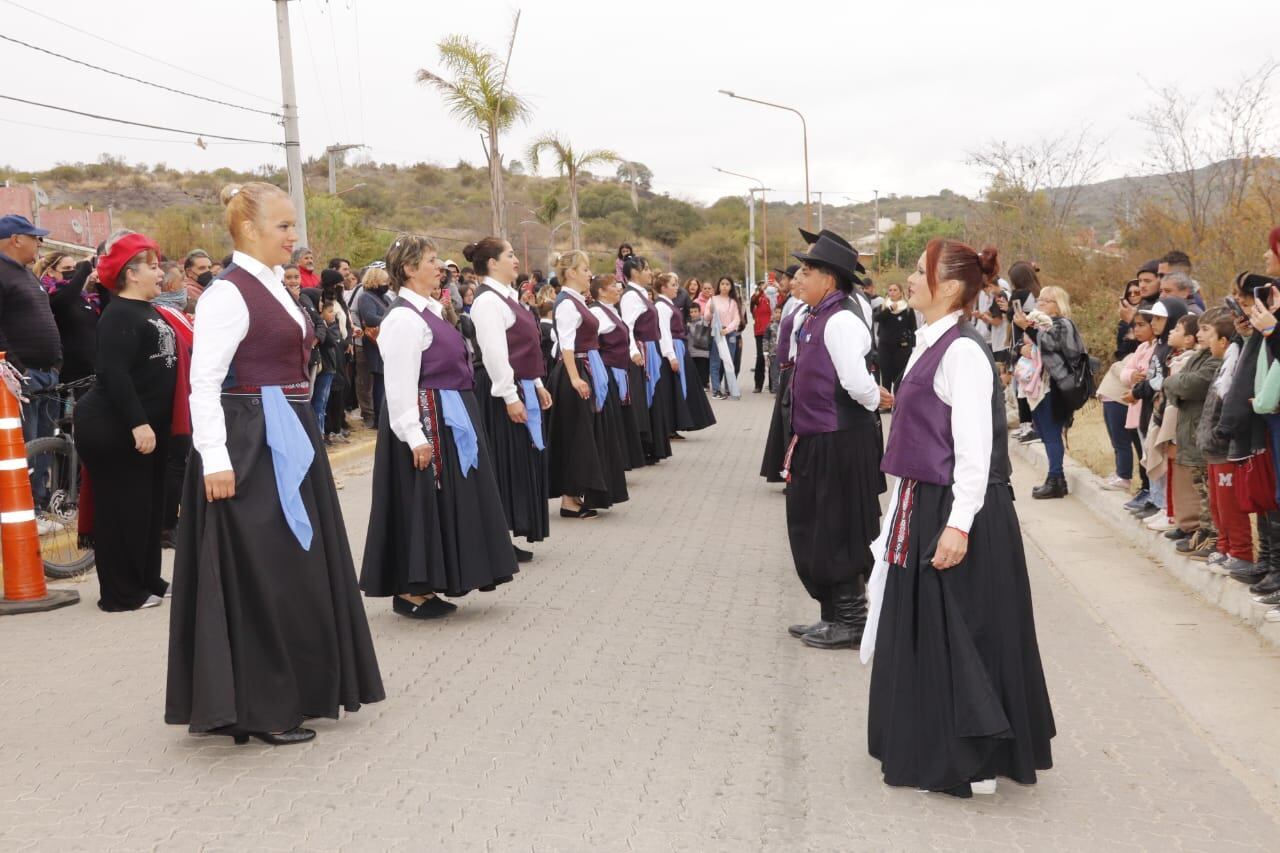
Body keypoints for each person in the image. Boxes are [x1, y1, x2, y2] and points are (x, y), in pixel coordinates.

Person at [166, 182, 384, 746]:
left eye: (293, 226)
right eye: (285, 226)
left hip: (288, 431)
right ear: (248, 231)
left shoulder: (275, 288)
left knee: (296, 565)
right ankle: (259, 706)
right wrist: (214, 458)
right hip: (249, 441)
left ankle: (300, 688)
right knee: (263, 570)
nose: (295, 237)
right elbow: (204, 383)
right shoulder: (227, 294)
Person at [865, 238, 1055, 799]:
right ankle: (930, 739)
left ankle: (968, 757)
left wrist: (958, 523)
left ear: (948, 286)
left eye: (920, 272)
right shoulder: (932, 343)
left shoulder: (963, 352)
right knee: (929, 631)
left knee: (963, 631)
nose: (911, 279)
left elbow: (976, 450)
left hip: (956, 507)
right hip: (926, 503)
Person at [360, 234, 518, 617]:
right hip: (426, 416)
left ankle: (434, 580)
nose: (439, 266)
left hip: (449, 412)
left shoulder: (430, 309)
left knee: (444, 499)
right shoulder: (402, 318)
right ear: (410, 269)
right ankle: (412, 590)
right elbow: (399, 384)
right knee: (422, 499)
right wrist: (415, 436)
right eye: (430, 260)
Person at [782, 233, 887, 652]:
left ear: (830, 279)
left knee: (838, 527)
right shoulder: (817, 315)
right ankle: (831, 614)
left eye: (807, 271)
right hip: (819, 437)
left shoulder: (840, 319)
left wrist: (876, 400)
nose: (799, 278)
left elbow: (857, 383)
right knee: (814, 527)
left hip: (839, 439)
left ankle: (851, 619)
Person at [73, 233, 176, 611]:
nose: (160, 272)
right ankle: (120, 593)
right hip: (114, 427)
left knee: (147, 511)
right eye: (152, 266)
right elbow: (113, 373)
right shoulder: (118, 314)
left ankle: (148, 580)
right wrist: (138, 422)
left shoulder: (147, 309)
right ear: (131, 274)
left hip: (144, 426)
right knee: (120, 512)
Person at [467, 237, 553, 562]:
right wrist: (510, 396)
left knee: (515, 461)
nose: (516, 260)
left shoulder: (508, 297)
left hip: (519, 386)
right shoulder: (488, 301)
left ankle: (503, 536)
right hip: (500, 390)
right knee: (504, 463)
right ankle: (495, 539)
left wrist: (537, 383)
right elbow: (494, 354)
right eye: (510, 254)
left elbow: (526, 349)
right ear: (491, 263)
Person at [546, 251, 629, 517]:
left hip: (586, 368)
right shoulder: (568, 303)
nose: (589, 274)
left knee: (586, 435)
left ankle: (579, 494)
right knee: (576, 436)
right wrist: (574, 378)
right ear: (570, 272)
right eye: (584, 269)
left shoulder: (577, 300)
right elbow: (566, 345)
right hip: (577, 370)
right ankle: (569, 500)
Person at [0, 214, 62, 494]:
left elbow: (45, 317)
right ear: (15, 240)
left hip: (46, 375)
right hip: (21, 380)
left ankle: (40, 503)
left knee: (44, 448)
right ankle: (26, 508)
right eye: (34, 238)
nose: (39, 243)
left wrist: (57, 361)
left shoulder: (25, 273)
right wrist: (18, 370)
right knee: (25, 448)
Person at [1014, 285, 1086, 499]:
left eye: (1046, 301)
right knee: (1044, 433)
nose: (1040, 303)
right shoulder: (1038, 323)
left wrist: (1028, 328)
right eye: (1040, 299)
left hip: (1055, 386)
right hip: (1037, 386)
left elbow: (1050, 344)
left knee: (1052, 433)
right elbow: (1018, 345)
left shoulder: (1063, 324)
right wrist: (1022, 345)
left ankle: (1055, 478)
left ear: (1059, 305)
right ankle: (1056, 479)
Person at [590, 274, 647, 470]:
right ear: (601, 292)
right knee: (610, 418)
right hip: (607, 371)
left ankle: (620, 461)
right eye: (613, 286)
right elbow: (591, 344)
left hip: (619, 369)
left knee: (620, 419)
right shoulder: (597, 312)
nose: (618, 288)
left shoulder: (611, 310)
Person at [620, 255, 672, 462]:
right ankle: (644, 445)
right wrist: (633, 351)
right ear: (634, 272)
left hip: (650, 348)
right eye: (646, 269)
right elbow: (628, 326)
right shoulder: (631, 297)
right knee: (644, 398)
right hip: (642, 351)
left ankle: (653, 446)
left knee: (652, 396)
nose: (650, 273)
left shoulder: (641, 294)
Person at [759, 265, 808, 483]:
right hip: (786, 368)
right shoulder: (793, 303)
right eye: (795, 278)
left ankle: (791, 471)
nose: (795, 282)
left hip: (793, 368)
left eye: (799, 278)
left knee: (791, 422)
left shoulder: (804, 306)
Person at [655, 272, 716, 435]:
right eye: (673, 285)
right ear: (663, 288)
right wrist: (671, 355)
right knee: (674, 387)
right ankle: (670, 426)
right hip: (673, 346)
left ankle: (676, 424)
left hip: (679, 345)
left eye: (676, 284)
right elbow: (664, 332)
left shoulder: (668, 303)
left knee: (682, 385)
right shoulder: (661, 306)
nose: (677, 288)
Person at [357, 266, 393, 428]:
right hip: (375, 343)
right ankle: (379, 418)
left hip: (387, 341)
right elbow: (370, 318)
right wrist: (391, 319)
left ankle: (386, 415)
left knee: (386, 380)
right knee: (379, 380)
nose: (387, 284)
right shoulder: (366, 297)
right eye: (384, 281)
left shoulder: (385, 298)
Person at [874, 283, 916, 394]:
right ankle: (886, 402)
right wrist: (889, 309)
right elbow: (877, 318)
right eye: (890, 290)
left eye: (895, 290)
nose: (892, 292)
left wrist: (912, 346)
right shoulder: (883, 306)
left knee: (899, 377)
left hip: (901, 348)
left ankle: (898, 402)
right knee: (886, 376)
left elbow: (913, 328)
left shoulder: (907, 308)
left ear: (901, 292)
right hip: (885, 347)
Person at [706, 276, 742, 400]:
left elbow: (737, 319)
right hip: (716, 332)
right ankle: (716, 389)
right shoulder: (713, 299)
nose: (725, 286)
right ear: (719, 285)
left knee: (729, 361)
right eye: (722, 283)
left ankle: (729, 388)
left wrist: (727, 330)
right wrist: (710, 311)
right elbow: (706, 317)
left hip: (729, 333)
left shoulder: (733, 302)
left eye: (727, 284)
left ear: (731, 286)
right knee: (715, 361)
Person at [750, 286, 773, 393]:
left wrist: (776, 287)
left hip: (772, 330)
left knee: (772, 356)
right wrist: (761, 290)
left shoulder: (770, 298)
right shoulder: (757, 300)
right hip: (759, 332)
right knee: (760, 357)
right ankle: (758, 384)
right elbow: (753, 300)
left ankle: (773, 384)